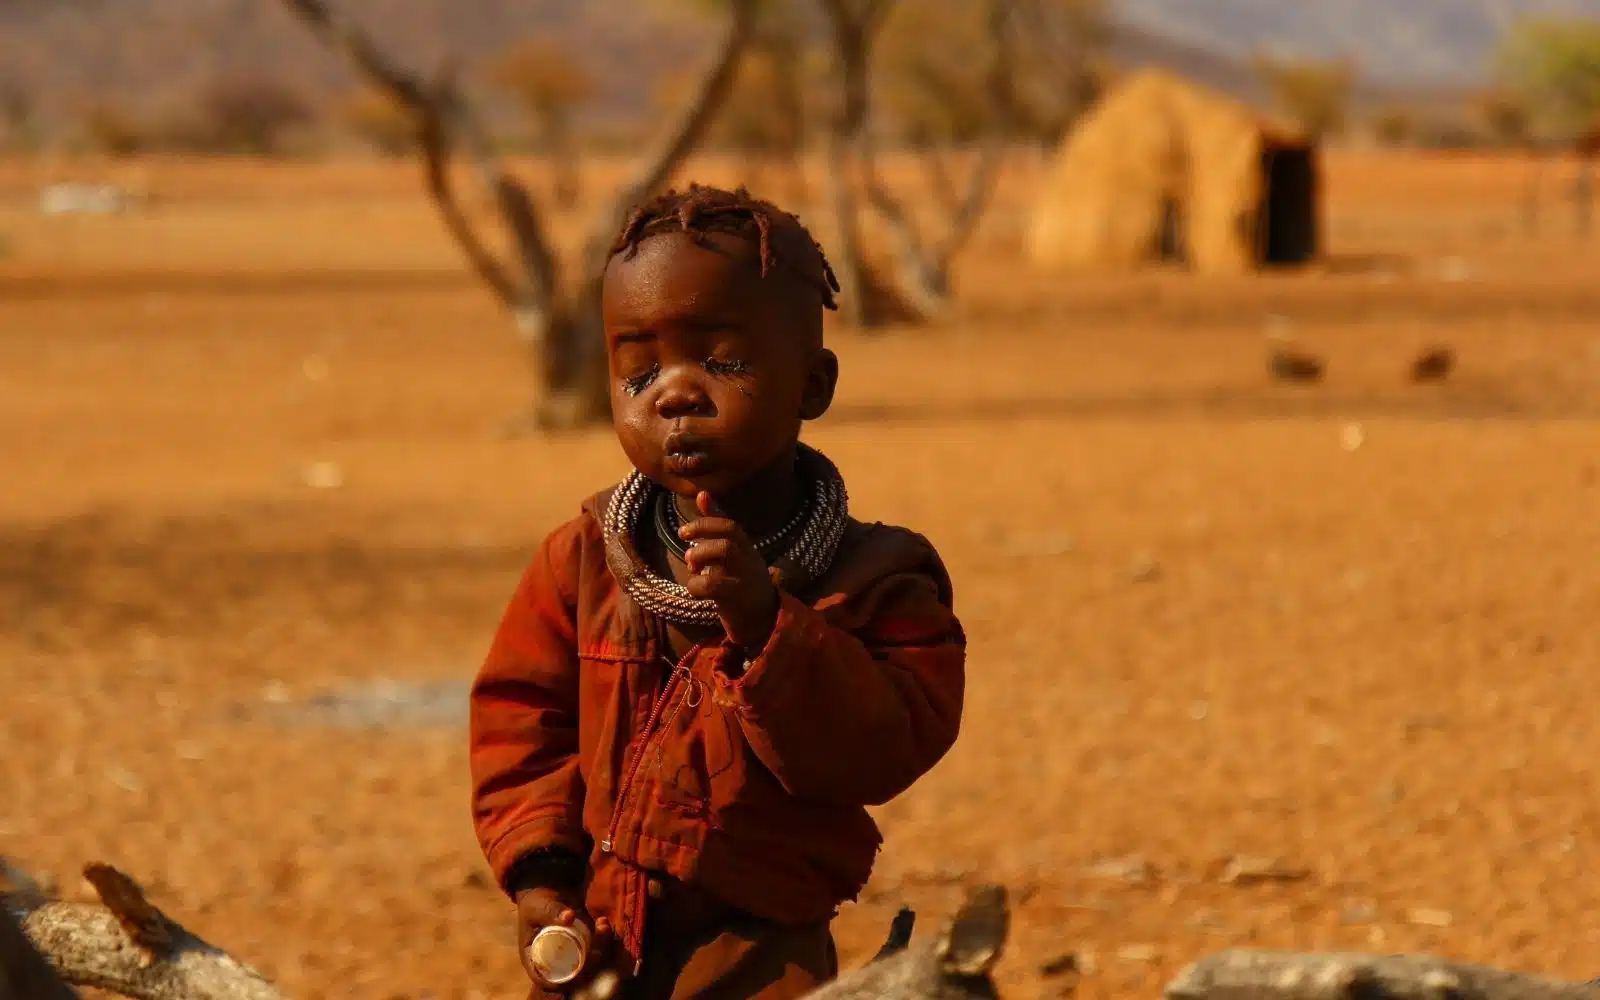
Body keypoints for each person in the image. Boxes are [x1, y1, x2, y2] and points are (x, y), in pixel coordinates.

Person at [468, 184, 966, 1000]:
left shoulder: (876, 579)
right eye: (638, 371)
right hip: (596, 939)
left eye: (723, 362)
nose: (674, 392)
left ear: (813, 385)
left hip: (762, 949)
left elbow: (888, 745)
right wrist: (540, 874)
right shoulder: (585, 561)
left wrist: (767, 626)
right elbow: (520, 721)